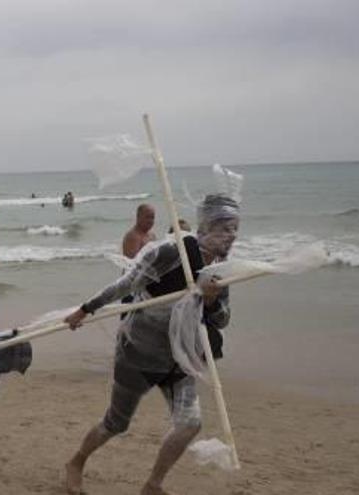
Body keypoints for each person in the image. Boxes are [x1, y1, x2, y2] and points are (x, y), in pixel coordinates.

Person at [62, 194, 240, 495]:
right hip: (138, 354)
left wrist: (210, 300)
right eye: (225, 228)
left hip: (179, 358)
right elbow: (125, 284)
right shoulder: (171, 252)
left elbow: (222, 319)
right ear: (206, 225)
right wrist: (86, 308)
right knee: (116, 423)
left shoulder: (220, 271)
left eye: (236, 229)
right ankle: (76, 462)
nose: (232, 235)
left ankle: (153, 485)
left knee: (190, 423)